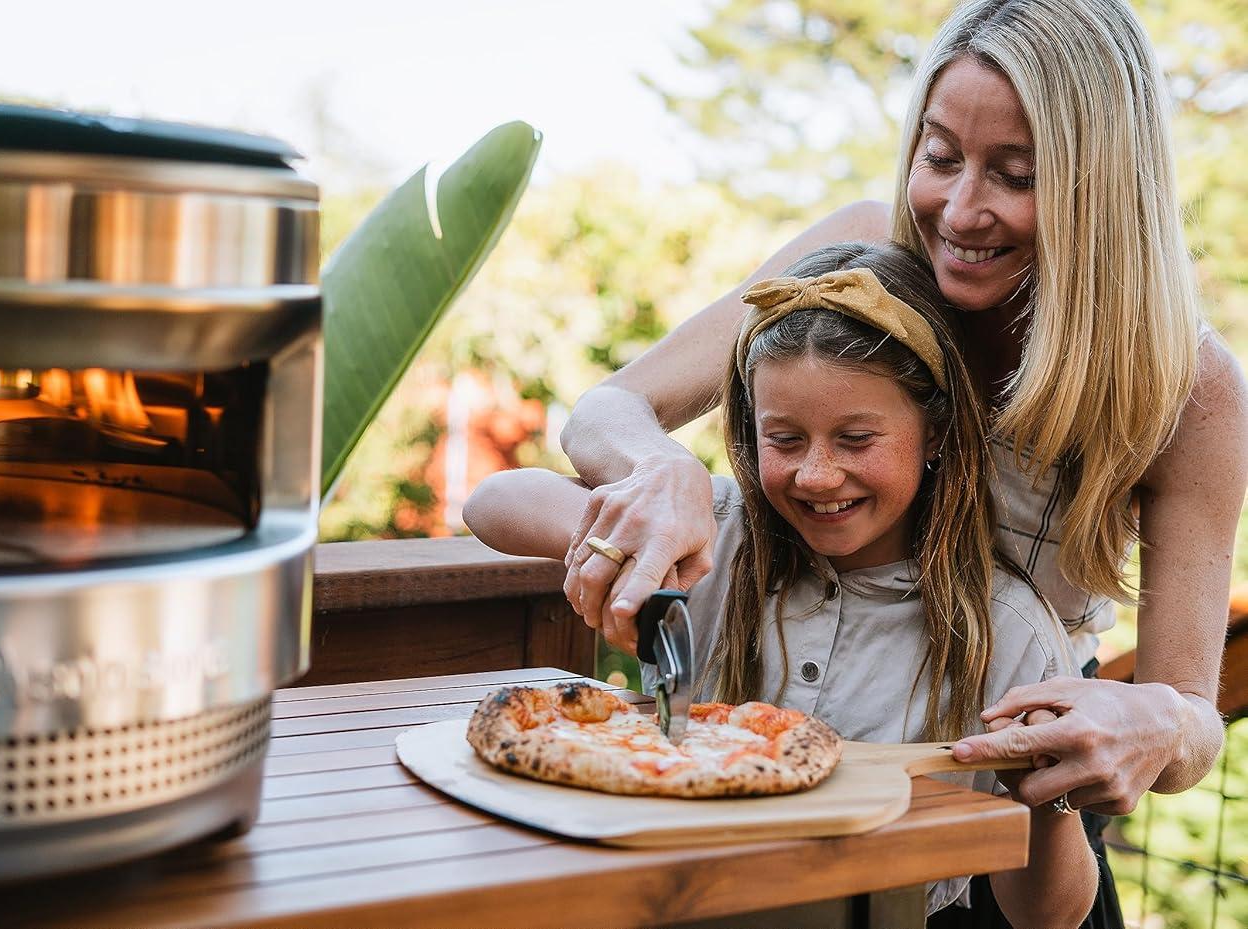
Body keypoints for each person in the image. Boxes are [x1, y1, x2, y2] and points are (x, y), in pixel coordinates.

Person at [558, 0, 1246, 837]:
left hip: (1005, 814)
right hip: (824, 773)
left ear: (1101, 186)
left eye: (1017, 175)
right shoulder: (860, 262)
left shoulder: (1187, 386)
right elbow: (605, 409)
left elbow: (1194, 719)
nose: (960, 211)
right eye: (942, 156)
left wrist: (1164, 722)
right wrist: (659, 470)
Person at [466, 242, 1096, 926]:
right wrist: (637, 543)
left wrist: (1045, 794)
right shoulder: (716, 538)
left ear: (935, 431)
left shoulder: (1009, 630)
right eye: (785, 440)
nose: (817, 475)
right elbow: (494, 501)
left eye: (856, 439)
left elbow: (1051, 917)